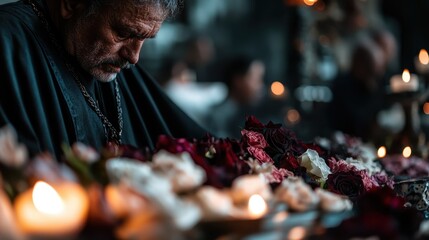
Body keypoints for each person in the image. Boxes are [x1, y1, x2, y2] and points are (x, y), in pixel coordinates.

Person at [0, 0, 206, 158]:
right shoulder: (7, 41)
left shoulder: (110, 58)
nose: (134, 58)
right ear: (71, 4)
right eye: (124, 34)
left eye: (143, 39)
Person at [205, 56, 265, 138]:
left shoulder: (255, 114)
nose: (260, 86)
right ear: (238, 80)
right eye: (256, 79)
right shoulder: (218, 117)